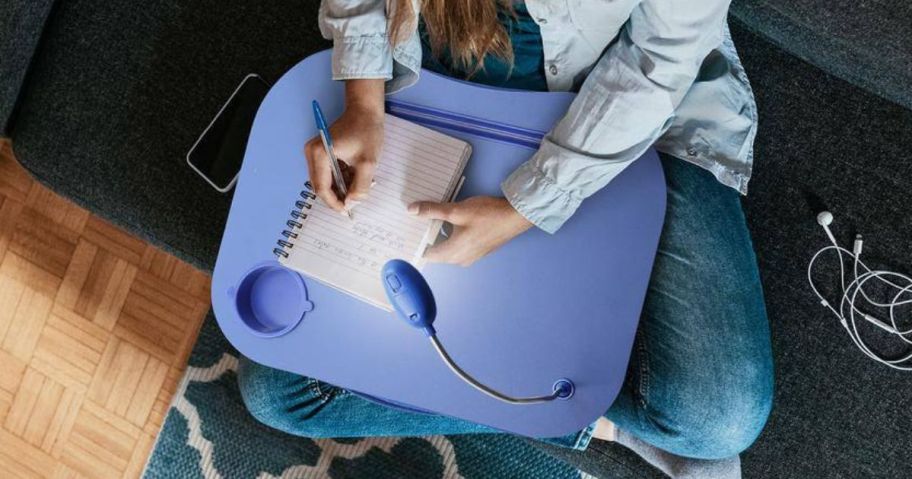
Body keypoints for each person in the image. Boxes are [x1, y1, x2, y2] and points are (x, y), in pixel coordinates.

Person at [239, 0, 773, 475]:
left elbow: (660, 63)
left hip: (626, 117)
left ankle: (570, 406)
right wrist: (362, 98)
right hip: (429, 86)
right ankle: (593, 419)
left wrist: (526, 206)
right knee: (280, 392)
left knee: (717, 421)